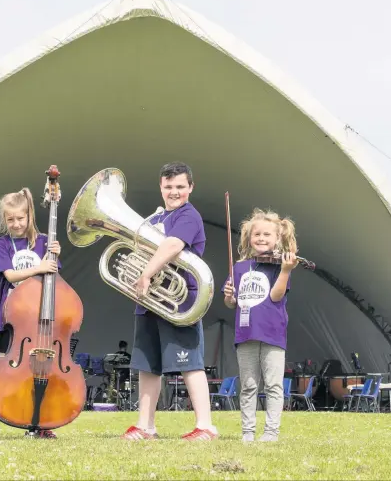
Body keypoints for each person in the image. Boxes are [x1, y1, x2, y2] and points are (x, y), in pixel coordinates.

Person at [122, 162, 217, 441]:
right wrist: (136, 273)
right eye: (168, 187)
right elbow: (136, 251)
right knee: (147, 364)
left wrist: (146, 273)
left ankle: (206, 426)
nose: (174, 192)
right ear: (160, 187)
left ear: (190, 188)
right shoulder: (153, 220)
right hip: (149, 301)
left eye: (180, 186)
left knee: (190, 363)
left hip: (179, 300)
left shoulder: (190, 215)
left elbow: (173, 245)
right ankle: (145, 426)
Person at [0, 188, 62, 439]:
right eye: (10, 219)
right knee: (4, 368)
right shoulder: (2, 244)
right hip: (12, 317)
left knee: (41, 370)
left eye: (20, 218)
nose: (16, 224)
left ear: (30, 216)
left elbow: (53, 277)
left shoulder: (44, 241)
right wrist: (39, 266)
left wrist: (54, 255)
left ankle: (40, 422)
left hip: (39, 319)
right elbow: (10, 275)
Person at [223, 208, 299, 443]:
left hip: (273, 333)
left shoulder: (279, 266)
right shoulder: (239, 267)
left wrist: (285, 271)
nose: (262, 239)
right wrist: (229, 296)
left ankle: (271, 432)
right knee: (248, 384)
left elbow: (276, 297)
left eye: (267, 235)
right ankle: (248, 432)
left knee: (273, 384)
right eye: (257, 235)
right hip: (245, 333)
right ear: (249, 238)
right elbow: (231, 303)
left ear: (278, 239)